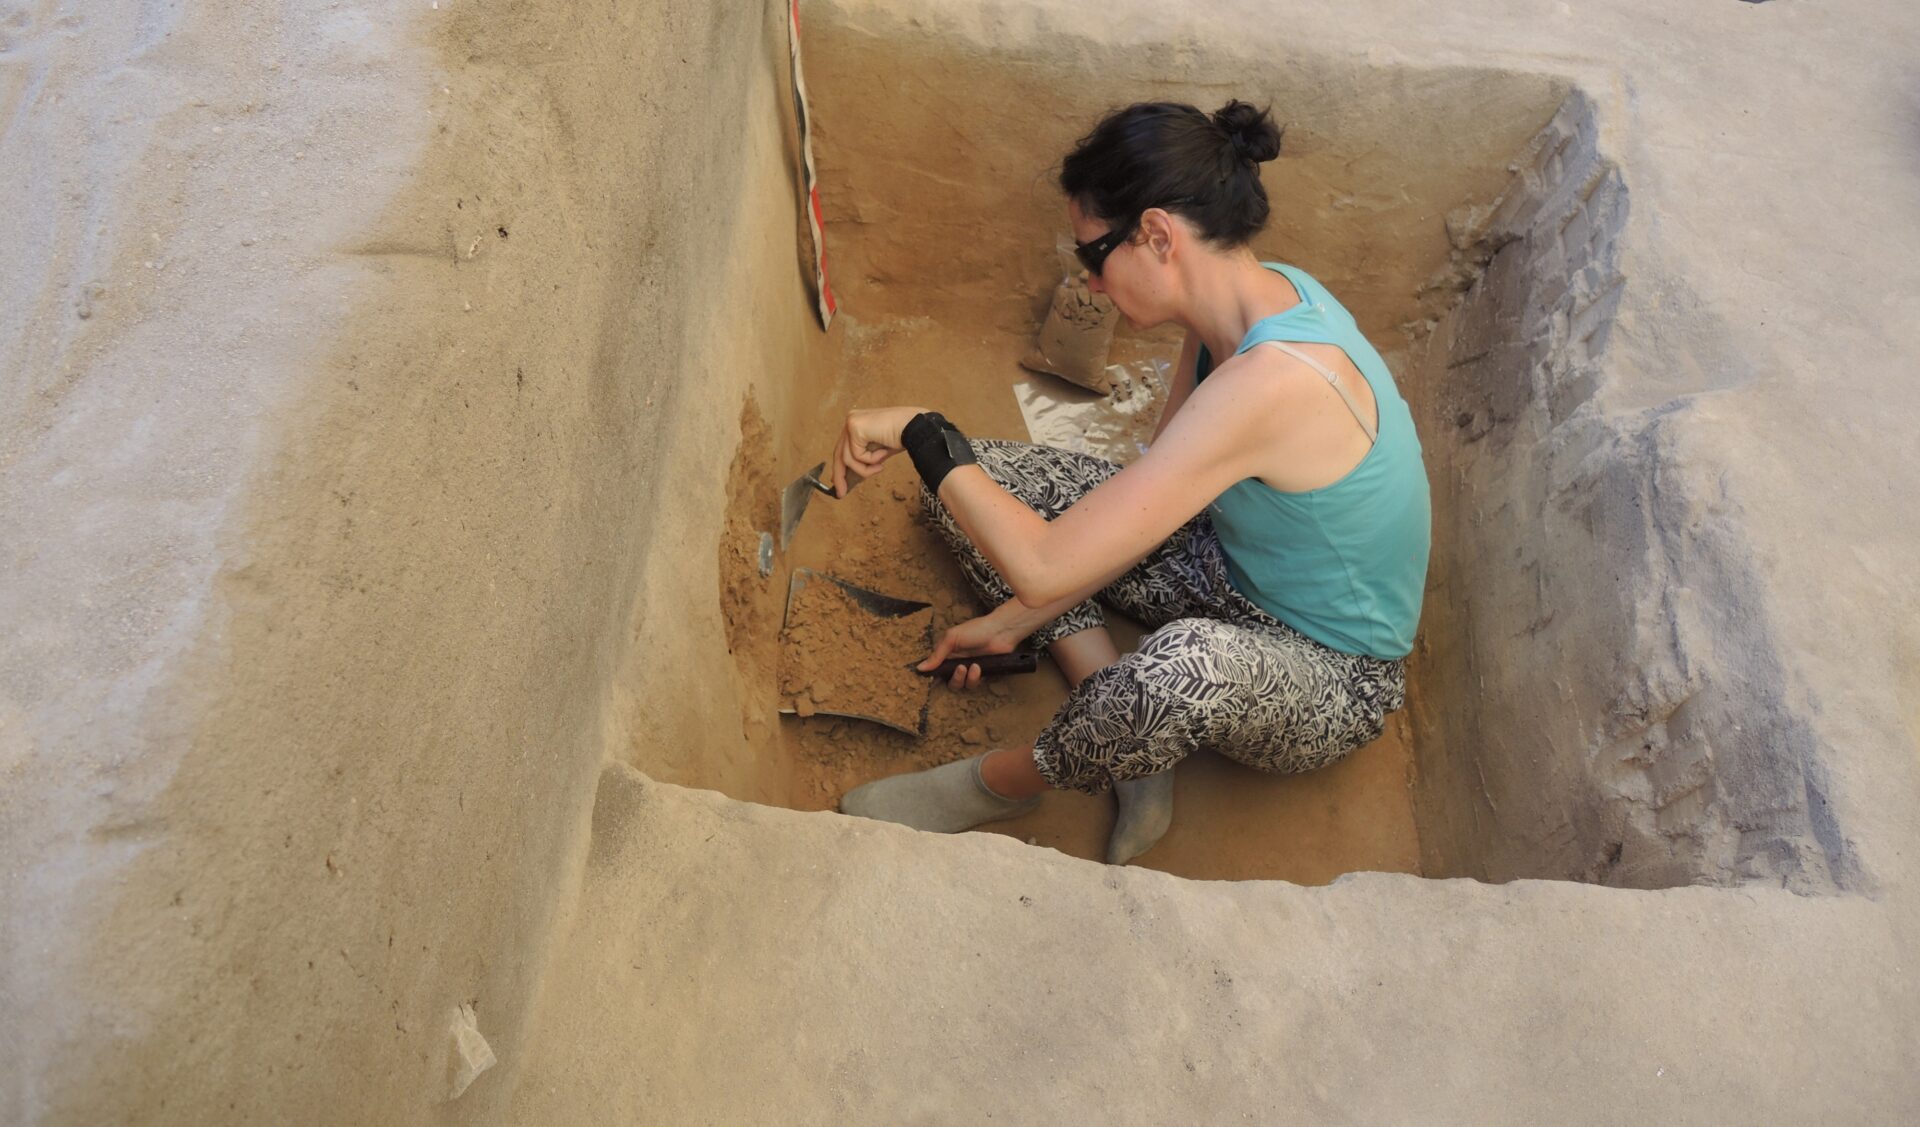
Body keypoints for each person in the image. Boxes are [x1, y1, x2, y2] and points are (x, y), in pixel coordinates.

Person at [832, 100, 1431, 865]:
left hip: (1328, 670)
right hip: (1223, 558)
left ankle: (1002, 783)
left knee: (1185, 665)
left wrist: (922, 430)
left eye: (1095, 254)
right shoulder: (1248, 300)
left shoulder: (1276, 381)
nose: (1089, 282)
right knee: (984, 486)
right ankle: (1125, 726)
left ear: (1157, 235)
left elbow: (1041, 565)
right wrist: (1014, 621)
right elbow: (1155, 498)